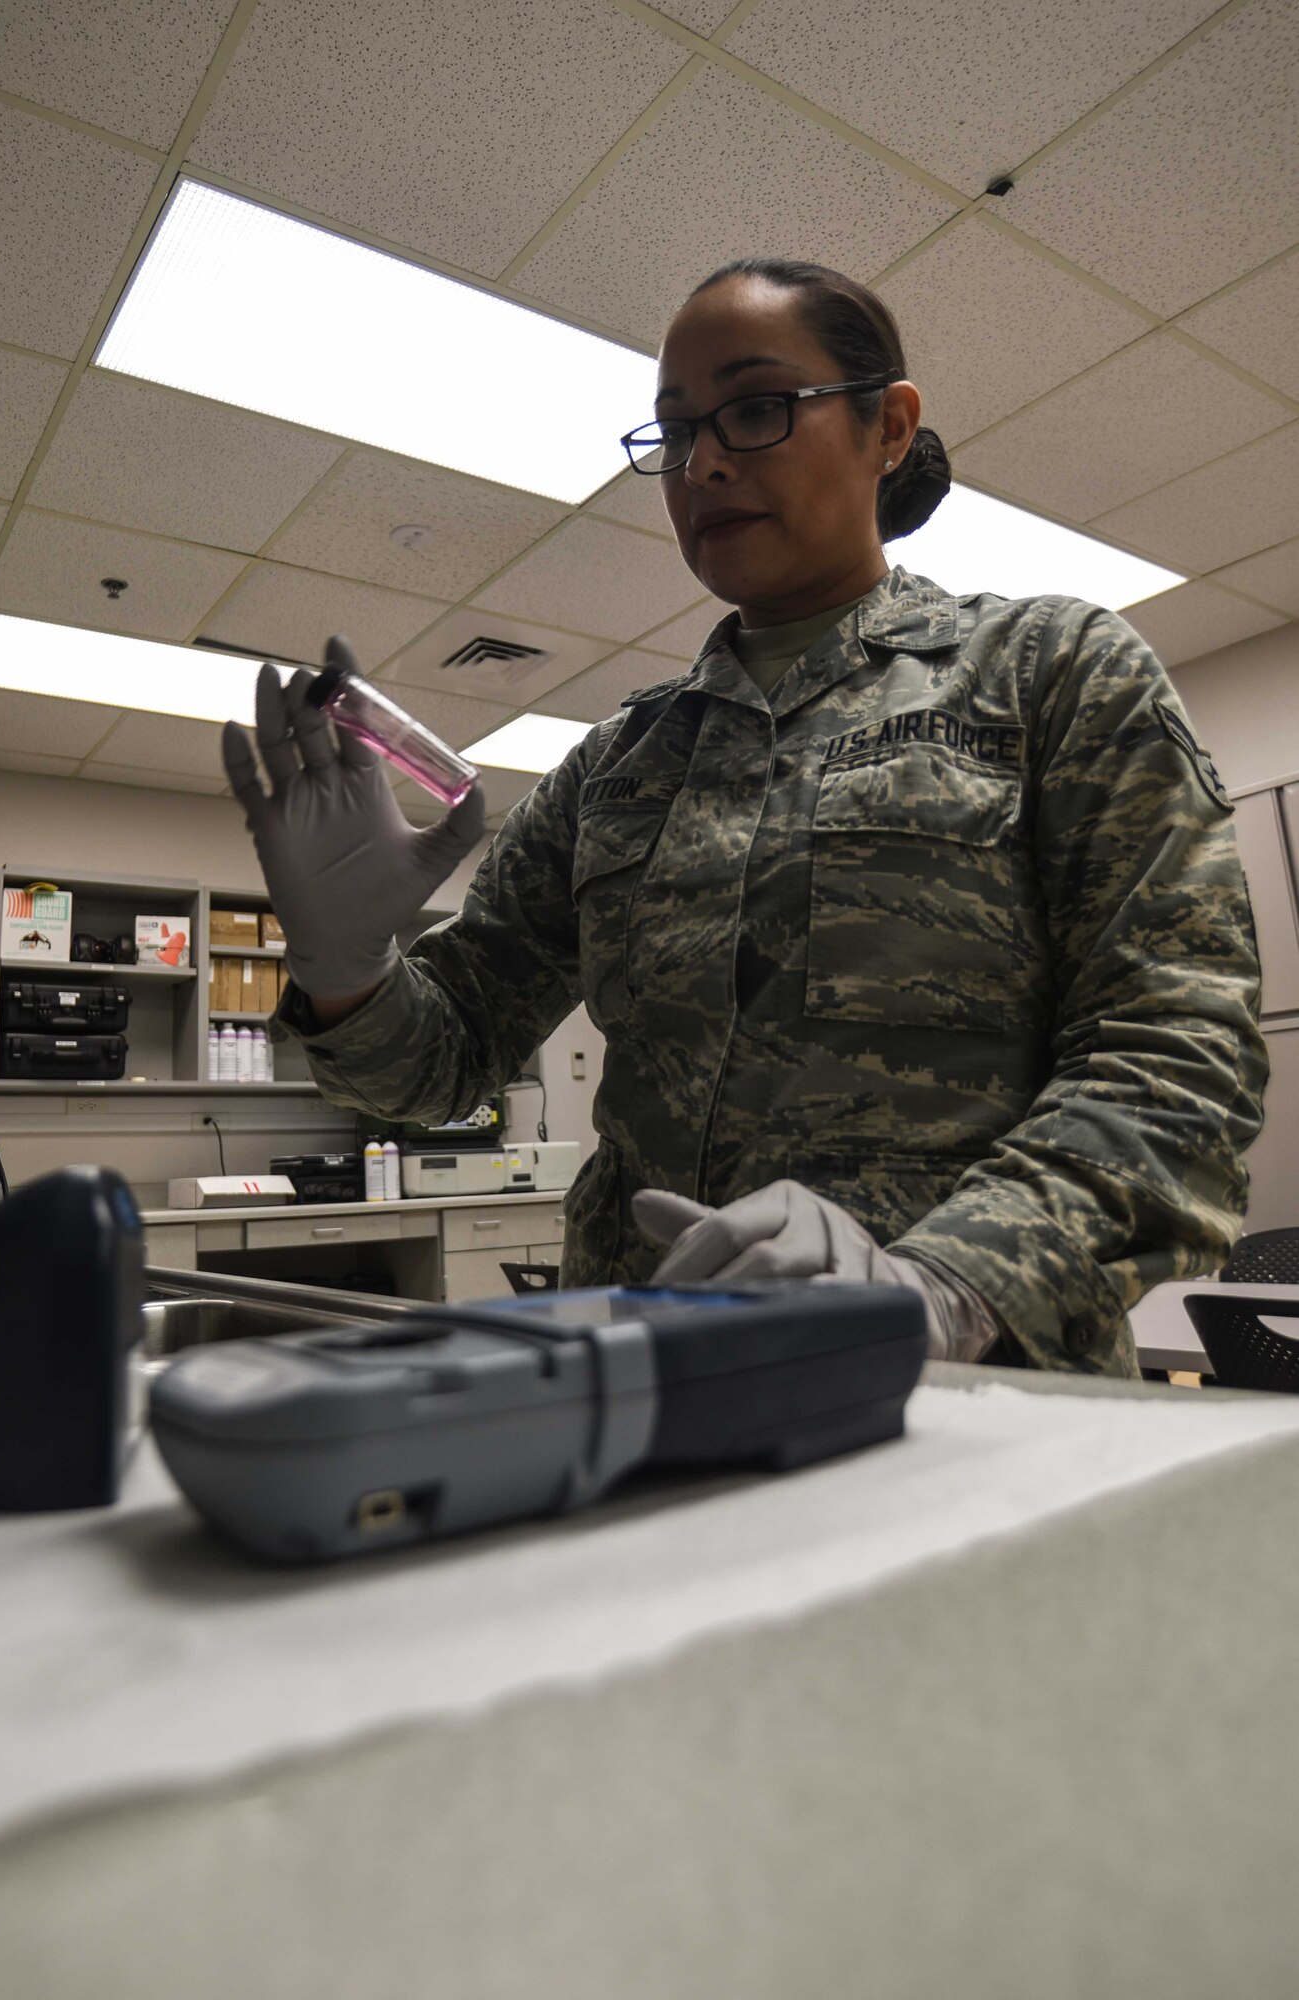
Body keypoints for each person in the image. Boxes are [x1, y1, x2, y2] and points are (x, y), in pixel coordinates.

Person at [223, 256, 1267, 1376]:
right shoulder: (621, 760)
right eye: (674, 434)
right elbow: (438, 1066)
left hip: (965, 1396)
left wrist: (943, 1284)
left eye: (756, 409)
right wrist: (348, 968)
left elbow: (1178, 1053)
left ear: (888, 426)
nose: (704, 461)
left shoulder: (1047, 673)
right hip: (645, 1385)